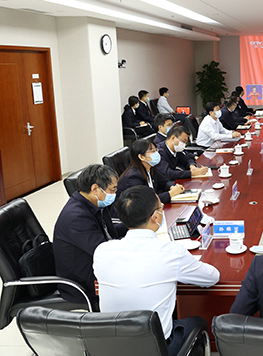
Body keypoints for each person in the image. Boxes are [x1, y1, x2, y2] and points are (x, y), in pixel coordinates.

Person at [94, 185, 220, 356]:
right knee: (197, 321)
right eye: (161, 208)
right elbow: (212, 277)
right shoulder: (171, 252)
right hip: (156, 348)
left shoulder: (102, 251)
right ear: (155, 216)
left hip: (112, 347)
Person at [53, 164, 124, 308]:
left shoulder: (93, 204)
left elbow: (108, 233)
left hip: (96, 267)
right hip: (84, 283)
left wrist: (137, 225)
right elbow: (104, 252)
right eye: (112, 190)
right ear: (95, 188)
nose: (114, 194)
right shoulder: (76, 217)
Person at [116, 139, 184, 204]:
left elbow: (165, 182)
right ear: (141, 157)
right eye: (152, 151)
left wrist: (172, 187)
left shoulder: (151, 168)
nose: (156, 153)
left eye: (156, 150)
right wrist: (170, 194)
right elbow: (146, 201)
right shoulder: (133, 177)